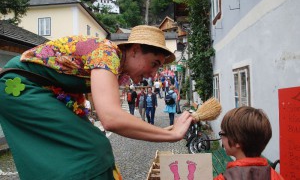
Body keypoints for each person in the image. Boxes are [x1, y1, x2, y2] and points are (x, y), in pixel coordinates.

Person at [0, 25, 193, 180]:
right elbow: (111, 118)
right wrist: (172, 134)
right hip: (19, 87)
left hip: (41, 90)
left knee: (91, 145)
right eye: (154, 63)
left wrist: (163, 131)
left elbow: (115, 115)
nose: (154, 74)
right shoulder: (107, 53)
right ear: (134, 50)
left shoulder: (117, 72)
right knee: (93, 148)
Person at [214, 106, 284, 180]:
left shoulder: (223, 178)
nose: (221, 138)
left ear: (237, 141)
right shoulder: (276, 177)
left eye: (222, 134)